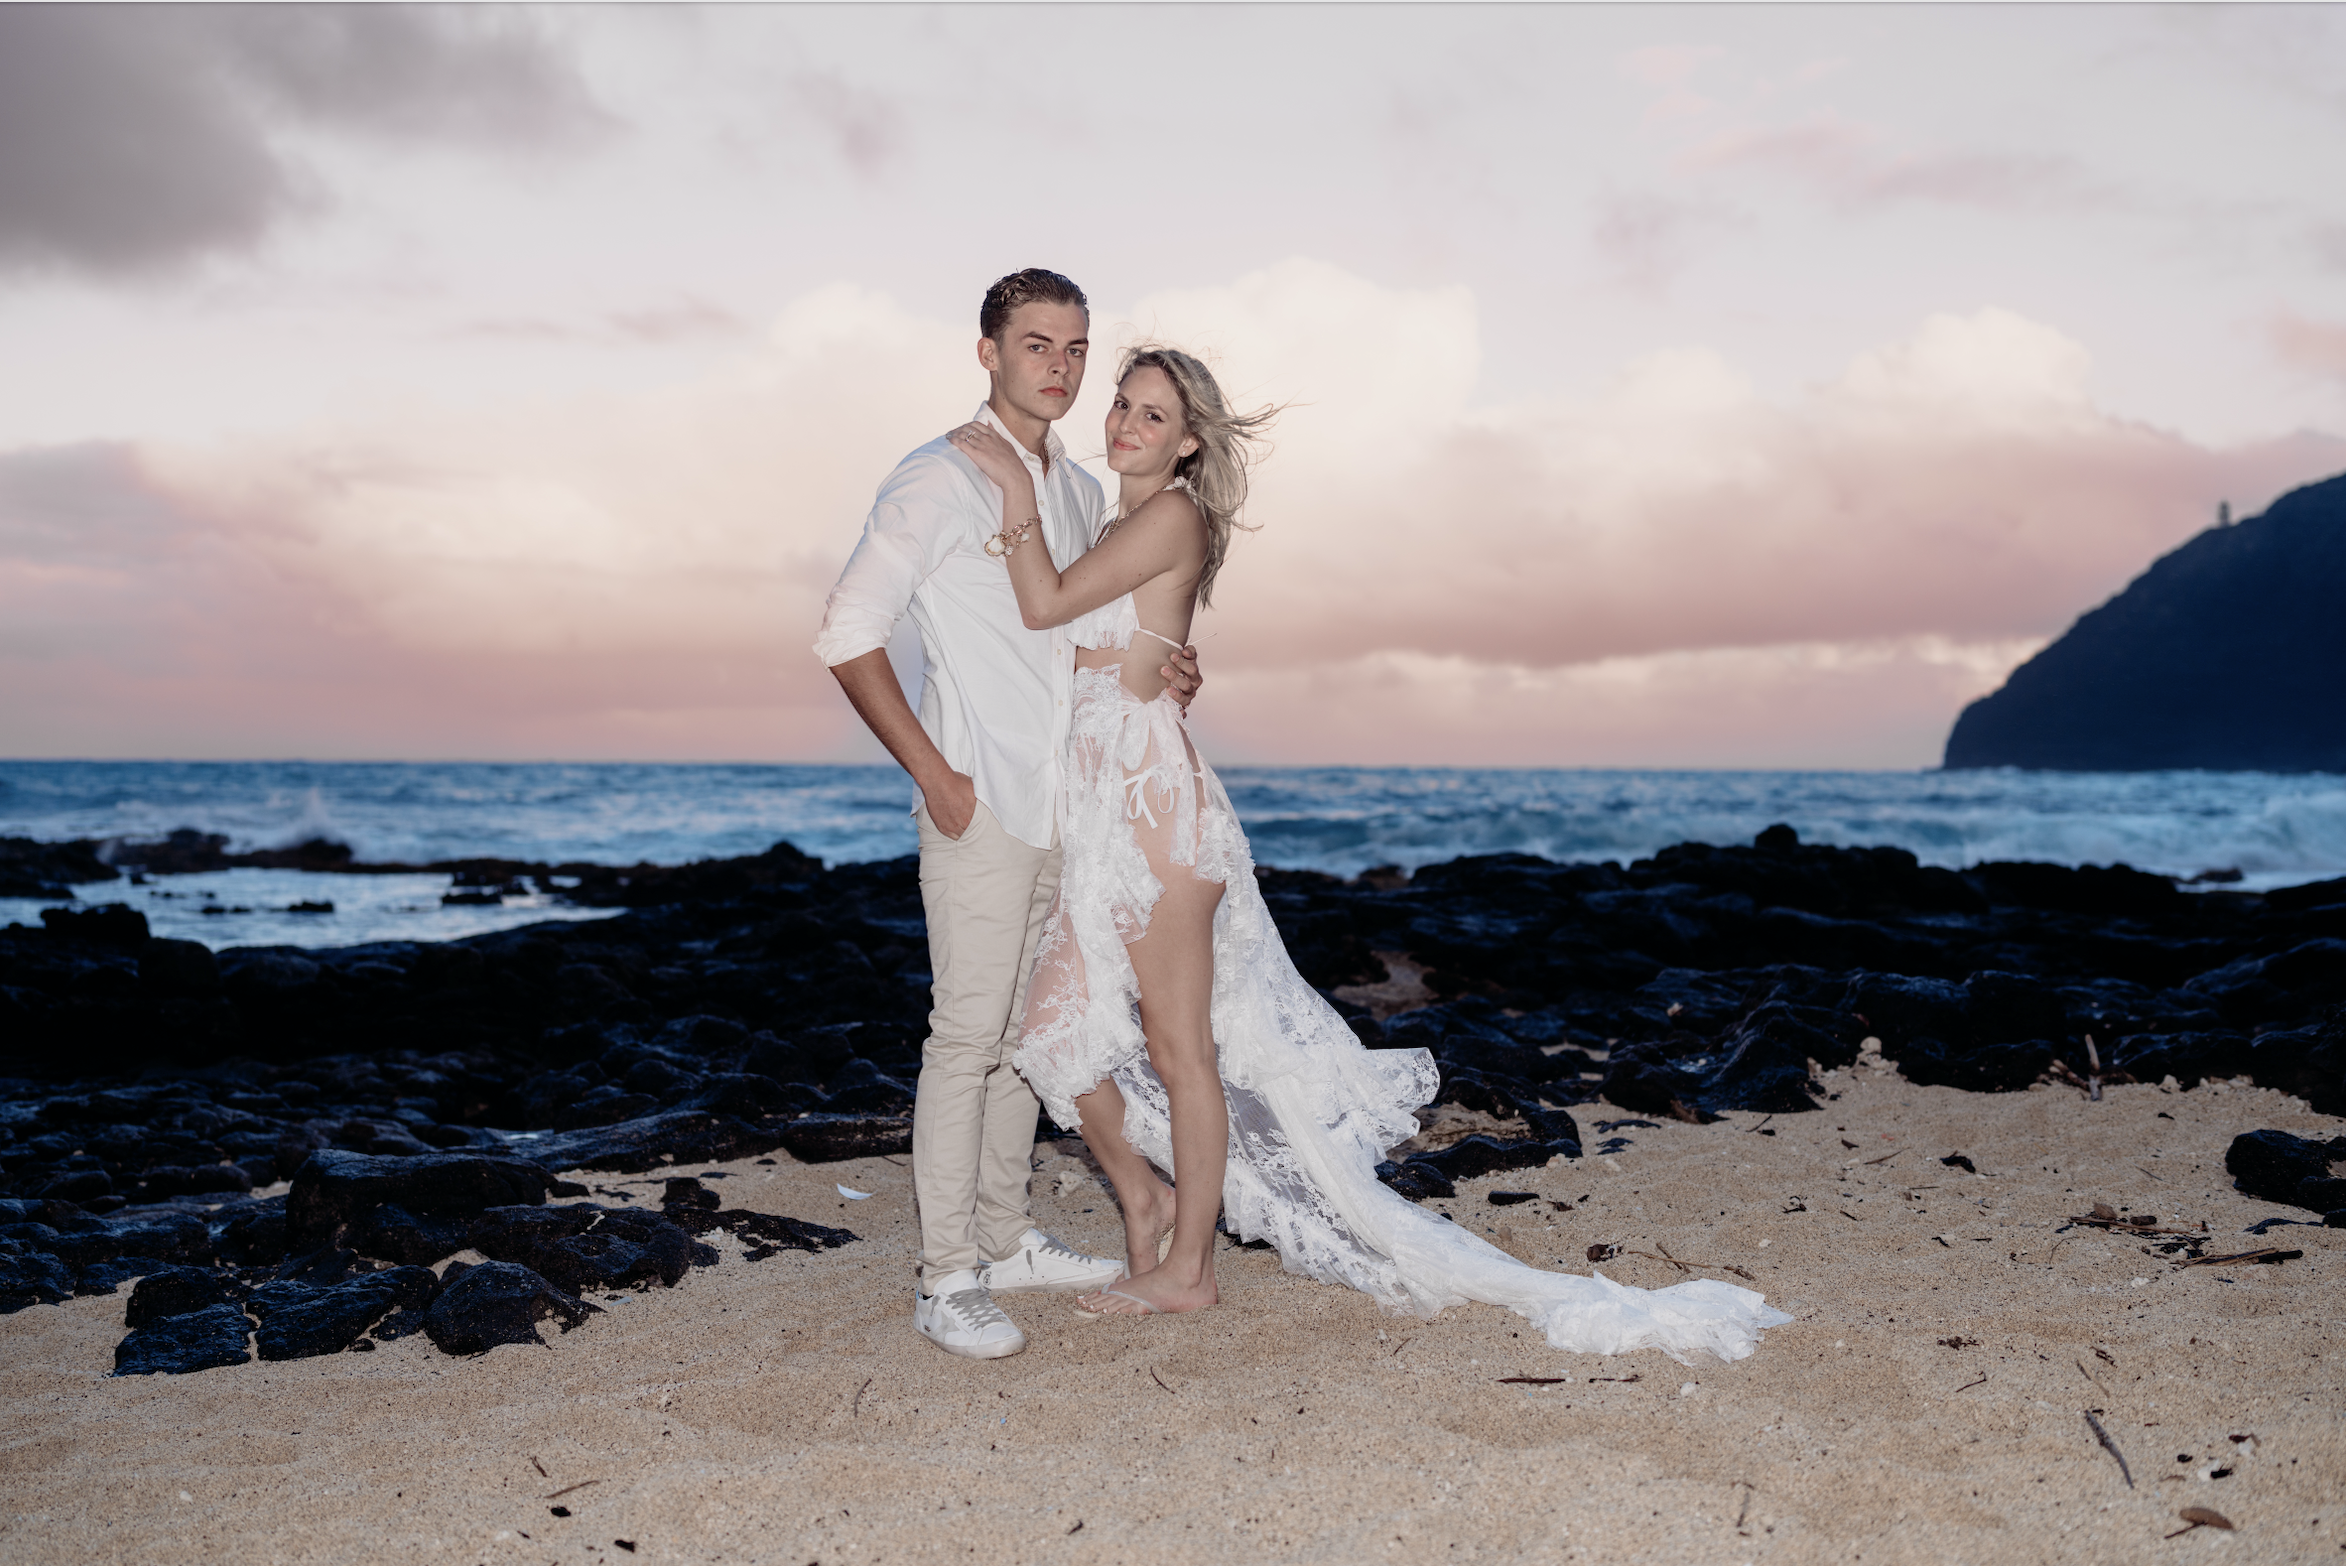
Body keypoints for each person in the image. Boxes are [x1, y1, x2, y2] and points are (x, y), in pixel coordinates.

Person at [945, 346, 1794, 1361]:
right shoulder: (1116, 524)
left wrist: (1010, 490)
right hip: (1100, 815)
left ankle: (1190, 1269)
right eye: (1123, 404)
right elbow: (1086, 650)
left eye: (1153, 414)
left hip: (1153, 814)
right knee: (1051, 1029)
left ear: (1190, 442)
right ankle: (1146, 1198)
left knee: (1181, 1050)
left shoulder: (1170, 515)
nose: (1126, 422)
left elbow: (1046, 608)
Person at [813, 270, 1203, 1361]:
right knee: (965, 1038)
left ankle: (1001, 1237)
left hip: (1066, 809)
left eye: (1076, 349)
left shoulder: (1072, 488)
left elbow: (1076, 637)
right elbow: (846, 630)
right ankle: (946, 1279)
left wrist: (1165, 667)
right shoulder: (938, 477)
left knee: (1021, 1041)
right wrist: (936, 775)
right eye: (1037, 344)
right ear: (987, 352)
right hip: (980, 802)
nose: (1060, 367)